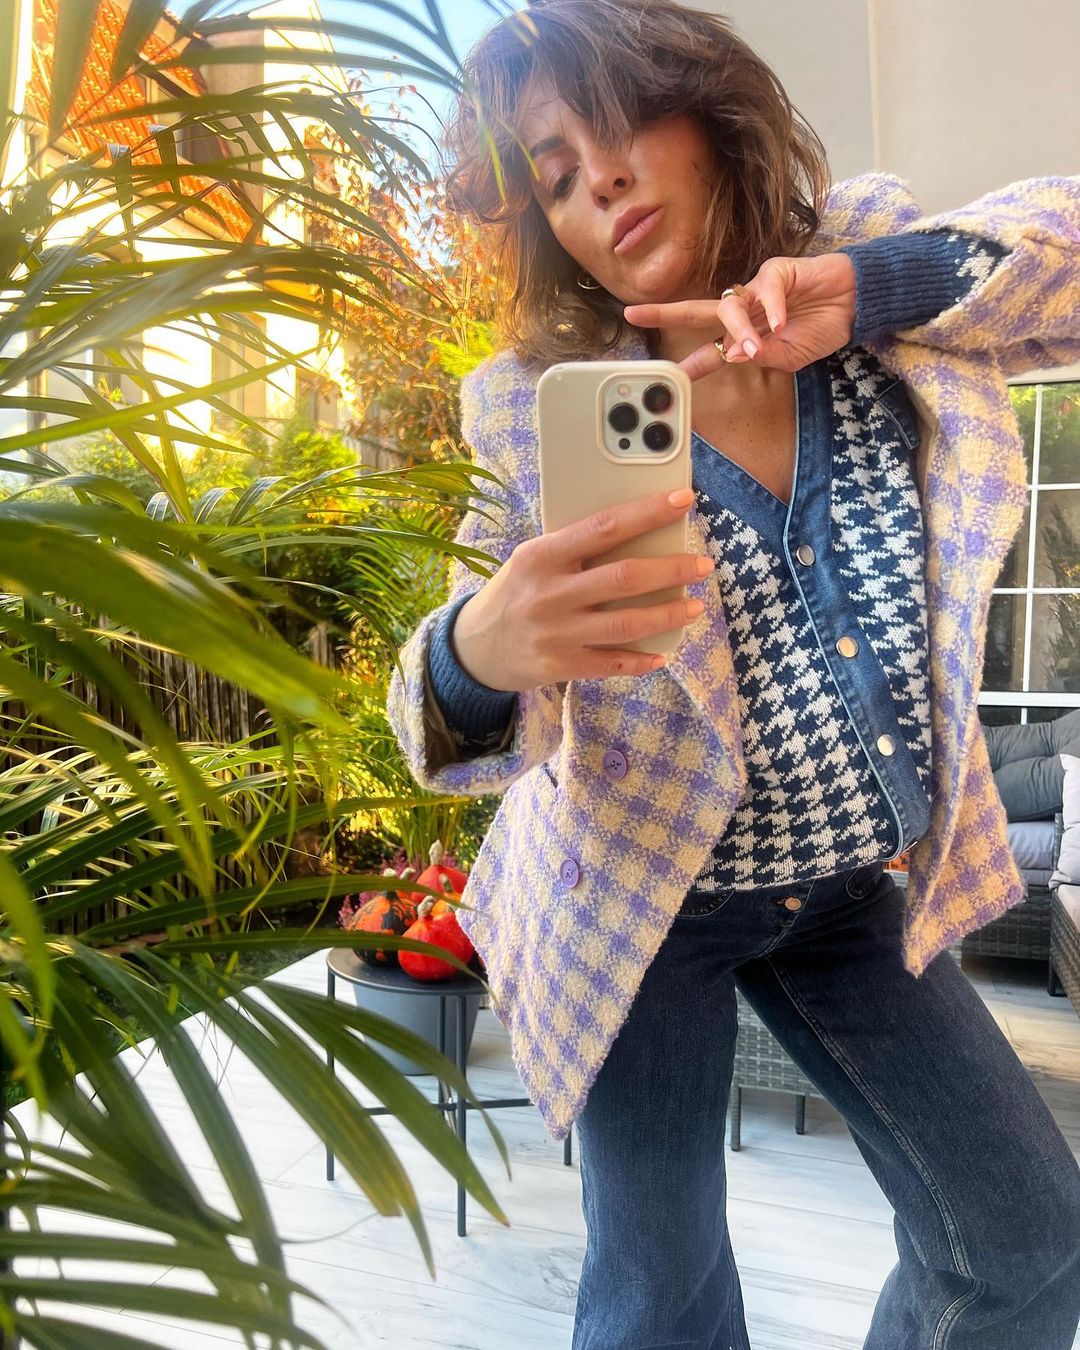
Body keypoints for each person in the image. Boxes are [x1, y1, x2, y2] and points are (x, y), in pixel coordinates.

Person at [385, 1, 1080, 1345]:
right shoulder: (535, 402)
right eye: (554, 172)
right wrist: (480, 650)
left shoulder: (867, 282)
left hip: (852, 888)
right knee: (661, 1304)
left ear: (706, 111)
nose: (597, 183)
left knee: (1029, 1240)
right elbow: (436, 709)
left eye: (618, 126)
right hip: (638, 898)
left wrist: (868, 289)